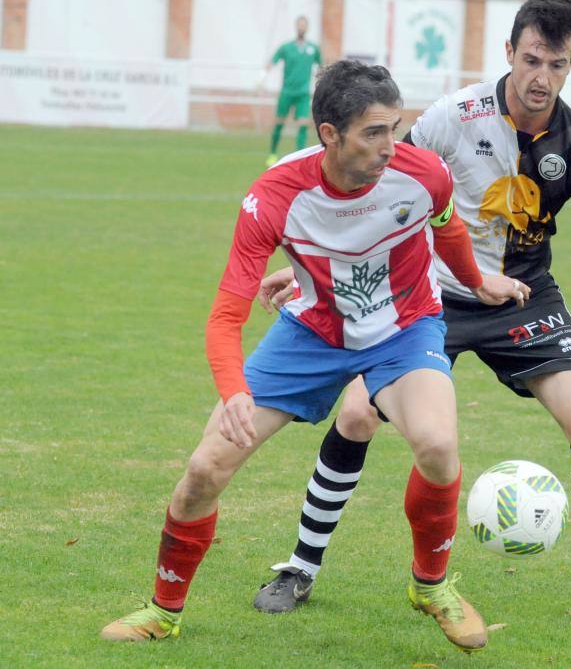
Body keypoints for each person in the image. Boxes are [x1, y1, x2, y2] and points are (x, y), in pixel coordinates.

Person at [254, 0, 571, 627]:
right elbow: (374, 185)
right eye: (532, 59)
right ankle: (300, 567)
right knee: (355, 416)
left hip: (522, 297)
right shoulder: (452, 116)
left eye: (557, 64)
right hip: (425, 292)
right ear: (509, 52)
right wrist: (308, 265)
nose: (542, 78)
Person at [100, 60, 529, 652]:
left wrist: (476, 280)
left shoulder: (424, 172)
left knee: (437, 444)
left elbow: (447, 227)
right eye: (372, 133)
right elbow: (226, 314)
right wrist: (233, 391)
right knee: (204, 470)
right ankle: (163, 610)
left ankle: (431, 587)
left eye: (395, 129)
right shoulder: (273, 194)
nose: (389, 147)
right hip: (311, 334)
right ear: (330, 134)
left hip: (404, 329)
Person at [265, 16, 321, 168]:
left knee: (303, 124)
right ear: (296, 27)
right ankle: (272, 153)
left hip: (303, 93)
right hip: (287, 91)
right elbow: (272, 61)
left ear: (307, 28)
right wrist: (266, 69)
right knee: (279, 123)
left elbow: (321, 66)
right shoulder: (287, 47)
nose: (301, 28)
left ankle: (299, 158)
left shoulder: (313, 48)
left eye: (304, 25)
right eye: (299, 25)